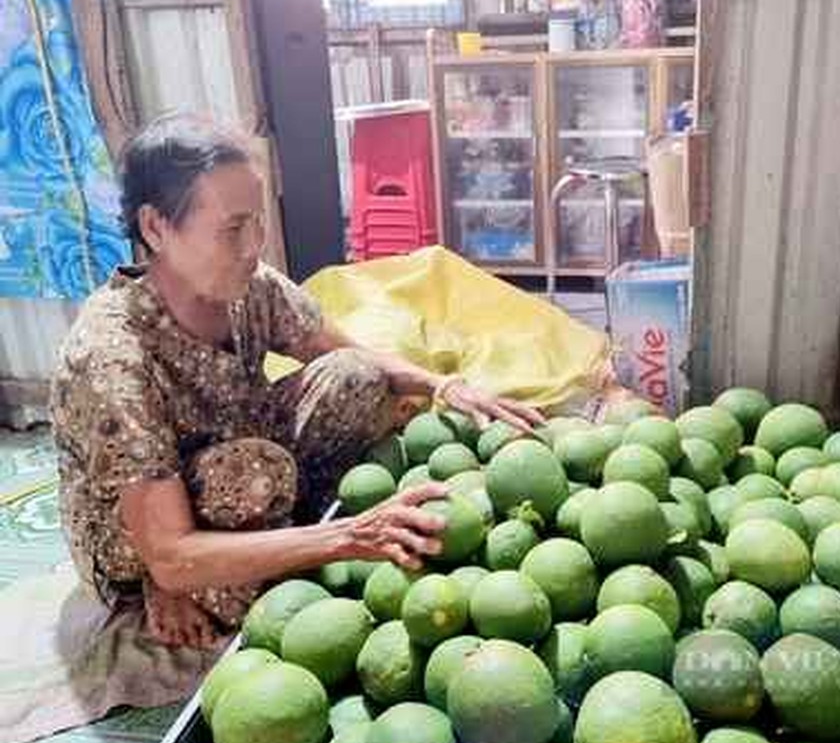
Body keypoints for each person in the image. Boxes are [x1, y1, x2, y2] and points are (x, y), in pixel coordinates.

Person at [49, 114, 543, 649]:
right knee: (254, 480)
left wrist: (444, 385)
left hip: (242, 449)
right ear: (155, 228)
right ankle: (180, 579)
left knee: (357, 378)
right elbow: (167, 546)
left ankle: (272, 535)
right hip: (140, 528)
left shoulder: (247, 286)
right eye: (232, 229)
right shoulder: (111, 354)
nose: (253, 246)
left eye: (257, 222)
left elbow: (349, 354)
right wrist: (348, 537)